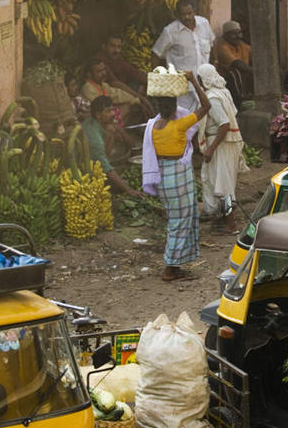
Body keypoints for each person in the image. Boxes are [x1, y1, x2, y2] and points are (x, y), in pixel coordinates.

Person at [142, 71, 211, 282]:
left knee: (176, 220)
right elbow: (206, 106)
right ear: (174, 108)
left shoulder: (153, 126)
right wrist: (193, 82)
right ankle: (170, 268)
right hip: (178, 176)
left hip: (163, 177)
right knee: (180, 222)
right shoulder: (179, 124)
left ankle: (175, 265)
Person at [196, 64, 247, 234]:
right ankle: (223, 218)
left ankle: (231, 225)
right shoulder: (223, 92)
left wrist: (211, 149)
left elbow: (224, 124)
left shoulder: (213, 98)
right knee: (221, 183)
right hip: (227, 143)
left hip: (220, 143)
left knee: (223, 186)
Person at [152, 0, 215, 112]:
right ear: (177, 15)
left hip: (204, 84)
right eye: (183, 14)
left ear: (194, 12)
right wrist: (157, 81)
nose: (187, 17)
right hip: (183, 88)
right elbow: (156, 54)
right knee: (185, 120)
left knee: (207, 119)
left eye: (189, 13)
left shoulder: (204, 24)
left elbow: (212, 46)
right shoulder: (170, 31)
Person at [81, 96, 143, 197]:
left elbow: (130, 143)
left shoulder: (100, 123)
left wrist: (115, 130)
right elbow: (107, 169)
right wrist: (129, 190)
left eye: (112, 110)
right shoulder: (94, 138)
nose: (113, 114)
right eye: (108, 111)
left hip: (95, 160)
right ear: (98, 115)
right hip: (84, 174)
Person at [81, 59, 152, 127]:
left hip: (106, 115)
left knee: (131, 104)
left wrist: (136, 100)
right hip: (98, 120)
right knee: (127, 107)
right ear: (89, 74)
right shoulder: (87, 88)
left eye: (104, 70)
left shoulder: (103, 85)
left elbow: (118, 94)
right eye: (99, 71)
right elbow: (100, 110)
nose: (103, 73)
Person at [213, 20, 253, 106]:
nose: (238, 36)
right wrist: (256, 72)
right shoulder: (222, 47)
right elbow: (237, 64)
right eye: (234, 34)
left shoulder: (242, 45)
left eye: (239, 33)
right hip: (226, 80)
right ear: (225, 36)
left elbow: (257, 57)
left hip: (243, 78)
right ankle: (241, 100)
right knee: (235, 72)